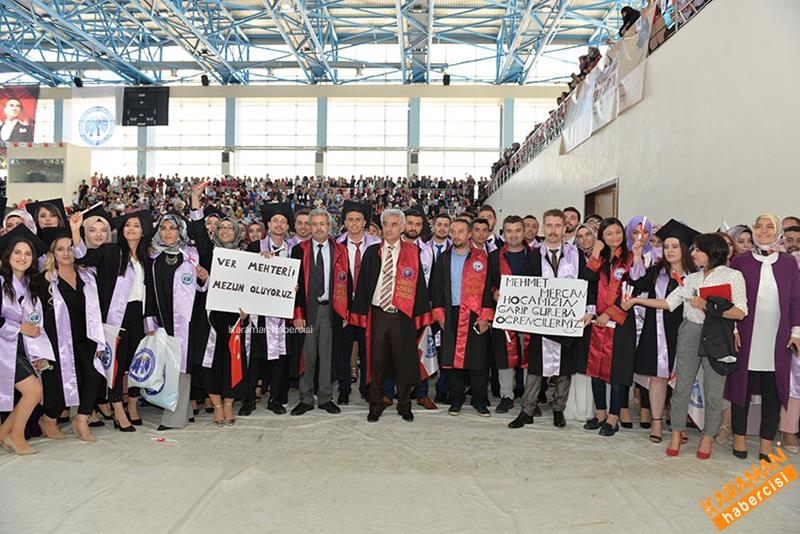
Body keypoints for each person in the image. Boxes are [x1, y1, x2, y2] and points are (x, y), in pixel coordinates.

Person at [625, 233, 747, 459]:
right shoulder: (691, 279)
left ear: (712, 252)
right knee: (681, 387)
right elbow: (669, 303)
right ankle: (676, 432)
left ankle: (708, 436)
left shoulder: (733, 276)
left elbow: (740, 311)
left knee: (713, 390)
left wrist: (709, 307)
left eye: (698, 250)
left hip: (718, 335)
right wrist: (636, 300)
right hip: (690, 332)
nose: (693, 254)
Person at [509, 209, 596, 429]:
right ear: (543, 228)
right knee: (536, 368)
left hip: (568, 319)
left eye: (558, 225)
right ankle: (527, 410)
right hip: (541, 321)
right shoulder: (533, 255)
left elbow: (587, 285)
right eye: (549, 225)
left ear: (565, 227)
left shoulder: (576, 253)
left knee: (564, 368)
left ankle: (559, 409)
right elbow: (526, 287)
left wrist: (589, 310)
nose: (553, 230)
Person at [727, 214, 800, 461]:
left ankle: (766, 442)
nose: (765, 230)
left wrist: (796, 331)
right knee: (742, 388)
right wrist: (734, 328)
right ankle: (738, 437)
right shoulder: (740, 262)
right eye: (760, 226)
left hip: (777, 336)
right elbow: (732, 298)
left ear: (777, 231)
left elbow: (795, 300)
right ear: (754, 230)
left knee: (773, 389)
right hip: (746, 335)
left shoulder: (789, 263)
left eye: (770, 226)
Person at [72, 209, 152, 432]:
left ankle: (133, 405)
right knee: (116, 364)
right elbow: (83, 257)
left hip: (140, 315)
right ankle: (118, 408)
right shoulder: (111, 251)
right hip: (118, 316)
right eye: (127, 225)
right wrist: (75, 231)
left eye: (136, 225)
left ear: (143, 230)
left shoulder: (146, 257)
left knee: (136, 364)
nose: (131, 229)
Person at [350, 208, 432, 423]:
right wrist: (359, 314)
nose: (389, 228)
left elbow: (420, 286)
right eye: (386, 224)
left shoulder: (412, 253)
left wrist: (420, 316)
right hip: (378, 314)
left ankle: (404, 405)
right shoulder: (372, 252)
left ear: (403, 227)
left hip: (402, 315)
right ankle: (375, 404)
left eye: (394, 224)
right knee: (376, 362)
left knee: (404, 361)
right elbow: (363, 285)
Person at [628, 219, 698, 443]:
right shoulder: (657, 272)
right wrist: (637, 255)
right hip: (656, 330)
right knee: (658, 379)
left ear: (685, 249)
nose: (669, 251)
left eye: (675, 246)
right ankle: (657, 423)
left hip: (684, 331)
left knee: (682, 379)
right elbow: (636, 280)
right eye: (666, 246)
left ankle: (678, 423)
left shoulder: (696, 275)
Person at [144, 212, 209, 431]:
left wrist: (204, 279)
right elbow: (150, 294)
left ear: (180, 230)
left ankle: (174, 418)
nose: (168, 232)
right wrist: (150, 324)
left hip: (190, 321)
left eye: (172, 228)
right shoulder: (155, 259)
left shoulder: (192, 255)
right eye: (164, 228)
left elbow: (203, 290)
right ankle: (186, 411)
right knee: (170, 366)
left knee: (181, 367)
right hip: (164, 320)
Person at [40, 228, 106, 443]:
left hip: (86, 336)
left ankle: (82, 419)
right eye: (60, 249)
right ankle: (48, 419)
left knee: (94, 376)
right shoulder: (46, 281)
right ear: (53, 254)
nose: (66, 253)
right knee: (62, 383)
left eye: (70, 248)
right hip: (58, 339)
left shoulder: (88, 276)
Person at [189, 184, 245, 425]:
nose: (224, 230)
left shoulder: (246, 255)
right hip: (210, 315)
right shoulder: (207, 251)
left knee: (232, 360)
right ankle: (218, 406)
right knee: (211, 361)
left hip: (235, 316)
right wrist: (194, 198)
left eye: (229, 227)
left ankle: (230, 404)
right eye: (220, 227)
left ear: (236, 232)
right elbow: (198, 228)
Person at [290, 208, 350, 416]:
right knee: (307, 355)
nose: (317, 228)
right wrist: (297, 314)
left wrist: (345, 312)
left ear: (329, 226)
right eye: (313, 224)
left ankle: (325, 397)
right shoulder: (299, 250)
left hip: (330, 309)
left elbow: (346, 282)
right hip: (308, 310)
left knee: (328, 355)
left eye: (321, 224)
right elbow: (294, 285)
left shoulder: (340, 250)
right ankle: (305, 399)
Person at [429, 218, 492, 416]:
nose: (456, 235)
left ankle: (479, 400)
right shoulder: (443, 259)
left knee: (478, 360)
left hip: (475, 315)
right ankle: (456, 399)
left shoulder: (481, 258)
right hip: (451, 313)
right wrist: (439, 315)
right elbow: (436, 290)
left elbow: (489, 290)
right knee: (451, 360)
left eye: (461, 231)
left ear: (469, 234)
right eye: (453, 231)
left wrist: (485, 317)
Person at [0, 227, 52, 455]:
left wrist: (39, 353)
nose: (22, 257)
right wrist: (18, 327)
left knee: (33, 391)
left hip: (20, 348)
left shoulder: (32, 286)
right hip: (2, 347)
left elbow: (36, 324)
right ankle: (16, 436)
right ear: (8, 256)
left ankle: (4, 433)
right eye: (17, 253)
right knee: (33, 391)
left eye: (27, 254)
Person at [584, 217, 637, 436]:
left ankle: (613, 417)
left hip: (621, 320)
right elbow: (587, 279)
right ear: (602, 237)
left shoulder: (632, 258)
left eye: (617, 232)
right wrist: (596, 252)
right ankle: (600, 413)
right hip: (597, 320)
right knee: (595, 368)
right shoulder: (600, 257)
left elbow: (633, 287)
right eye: (608, 234)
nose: (613, 237)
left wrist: (610, 313)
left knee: (618, 371)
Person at [244, 203, 296, 415]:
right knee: (254, 357)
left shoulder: (293, 250)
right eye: (275, 221)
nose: (279, 224)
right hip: (258, 314)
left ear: (287, 226)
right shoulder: (255, 248)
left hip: (282, 312)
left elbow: (297, 277)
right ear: (268, 224)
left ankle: (276, 398)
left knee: (279, 358)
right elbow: (246, 277)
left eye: (283, 221)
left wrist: (296, 286)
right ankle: (248, 399)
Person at [335, 200, 380, 404]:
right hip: (344, 304)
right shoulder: (336, 245)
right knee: (343, 351)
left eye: (358, 220)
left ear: (364, 223)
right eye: (350, 220)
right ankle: (344, 389)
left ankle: (366, 387)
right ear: (345, 222)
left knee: (367, 349)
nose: (354, 224)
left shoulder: (377, 245)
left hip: (368, 305)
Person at [487, 215, 531, 414]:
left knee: (529, 353)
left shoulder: (535, 256)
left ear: (524, 232)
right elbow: (486, 284)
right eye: (509, 231)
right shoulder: (494, 257)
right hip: (503, 314)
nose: (513, 235)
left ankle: (530, 398)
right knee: (504, 355)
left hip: (531, 314)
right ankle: (506, 395)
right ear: (503, 233)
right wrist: (493, 292)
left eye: (517, 231)